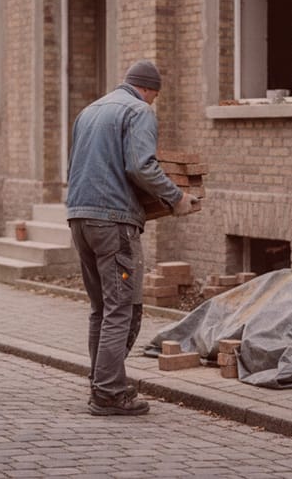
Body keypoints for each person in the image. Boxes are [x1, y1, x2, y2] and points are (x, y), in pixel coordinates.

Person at [66, 59, 200, 416]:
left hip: (79, 218)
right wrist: (177, 199)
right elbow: (141, 165)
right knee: (122, 309)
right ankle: (109, 393)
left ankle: (101, 381)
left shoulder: (89, 112)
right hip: (112, 223)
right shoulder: (138, 111)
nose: (152, 103)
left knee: (101, 309)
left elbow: (75, 168)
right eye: (154, 97)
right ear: (148, 89)